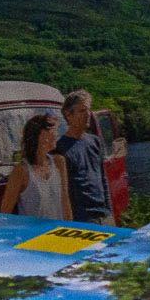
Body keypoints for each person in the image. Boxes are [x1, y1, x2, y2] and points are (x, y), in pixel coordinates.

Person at [55, 90, 116, 225]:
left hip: (104, 215)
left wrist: (110, 212)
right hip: (82, 219)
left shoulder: (95, 141)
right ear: (68, 115)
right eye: (82, 111)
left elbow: (103, 179)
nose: (88, 115)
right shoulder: (59, 149)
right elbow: (61, 191)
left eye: (88, 110)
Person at [0, 113, 72, 218]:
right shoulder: (21, 171)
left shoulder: (59, 162)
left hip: (57, 231)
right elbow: (5, 213)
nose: (57, 134)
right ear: (42, 134)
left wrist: (71, 229)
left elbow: (65, 201)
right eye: (53, 130)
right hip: (34, 233)